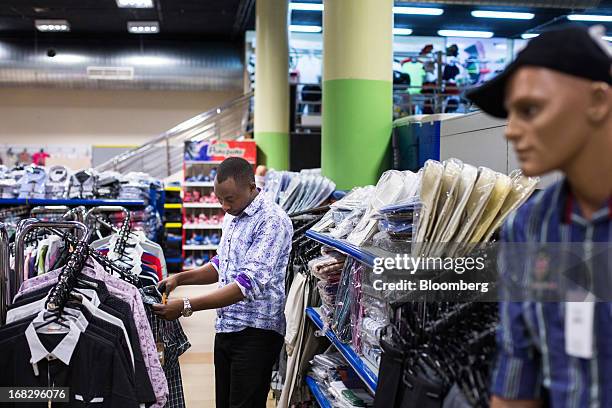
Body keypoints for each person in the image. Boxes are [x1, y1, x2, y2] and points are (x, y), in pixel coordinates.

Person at [467, 25, 611, 407]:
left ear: (598, 100)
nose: (511, 130)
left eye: (530, 109)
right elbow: (518, 366)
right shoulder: (528, 227)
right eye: (510, 113)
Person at [153, 157, 293, 408]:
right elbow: (222, 264)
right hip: (226, 328)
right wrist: (181, 278)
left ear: (251, 187)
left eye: (230, 199)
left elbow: (245, 284)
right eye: (219, 199)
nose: (224, 206)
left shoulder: (272, 221)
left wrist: (186, 305)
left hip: (256, 334)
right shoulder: (233, 215)